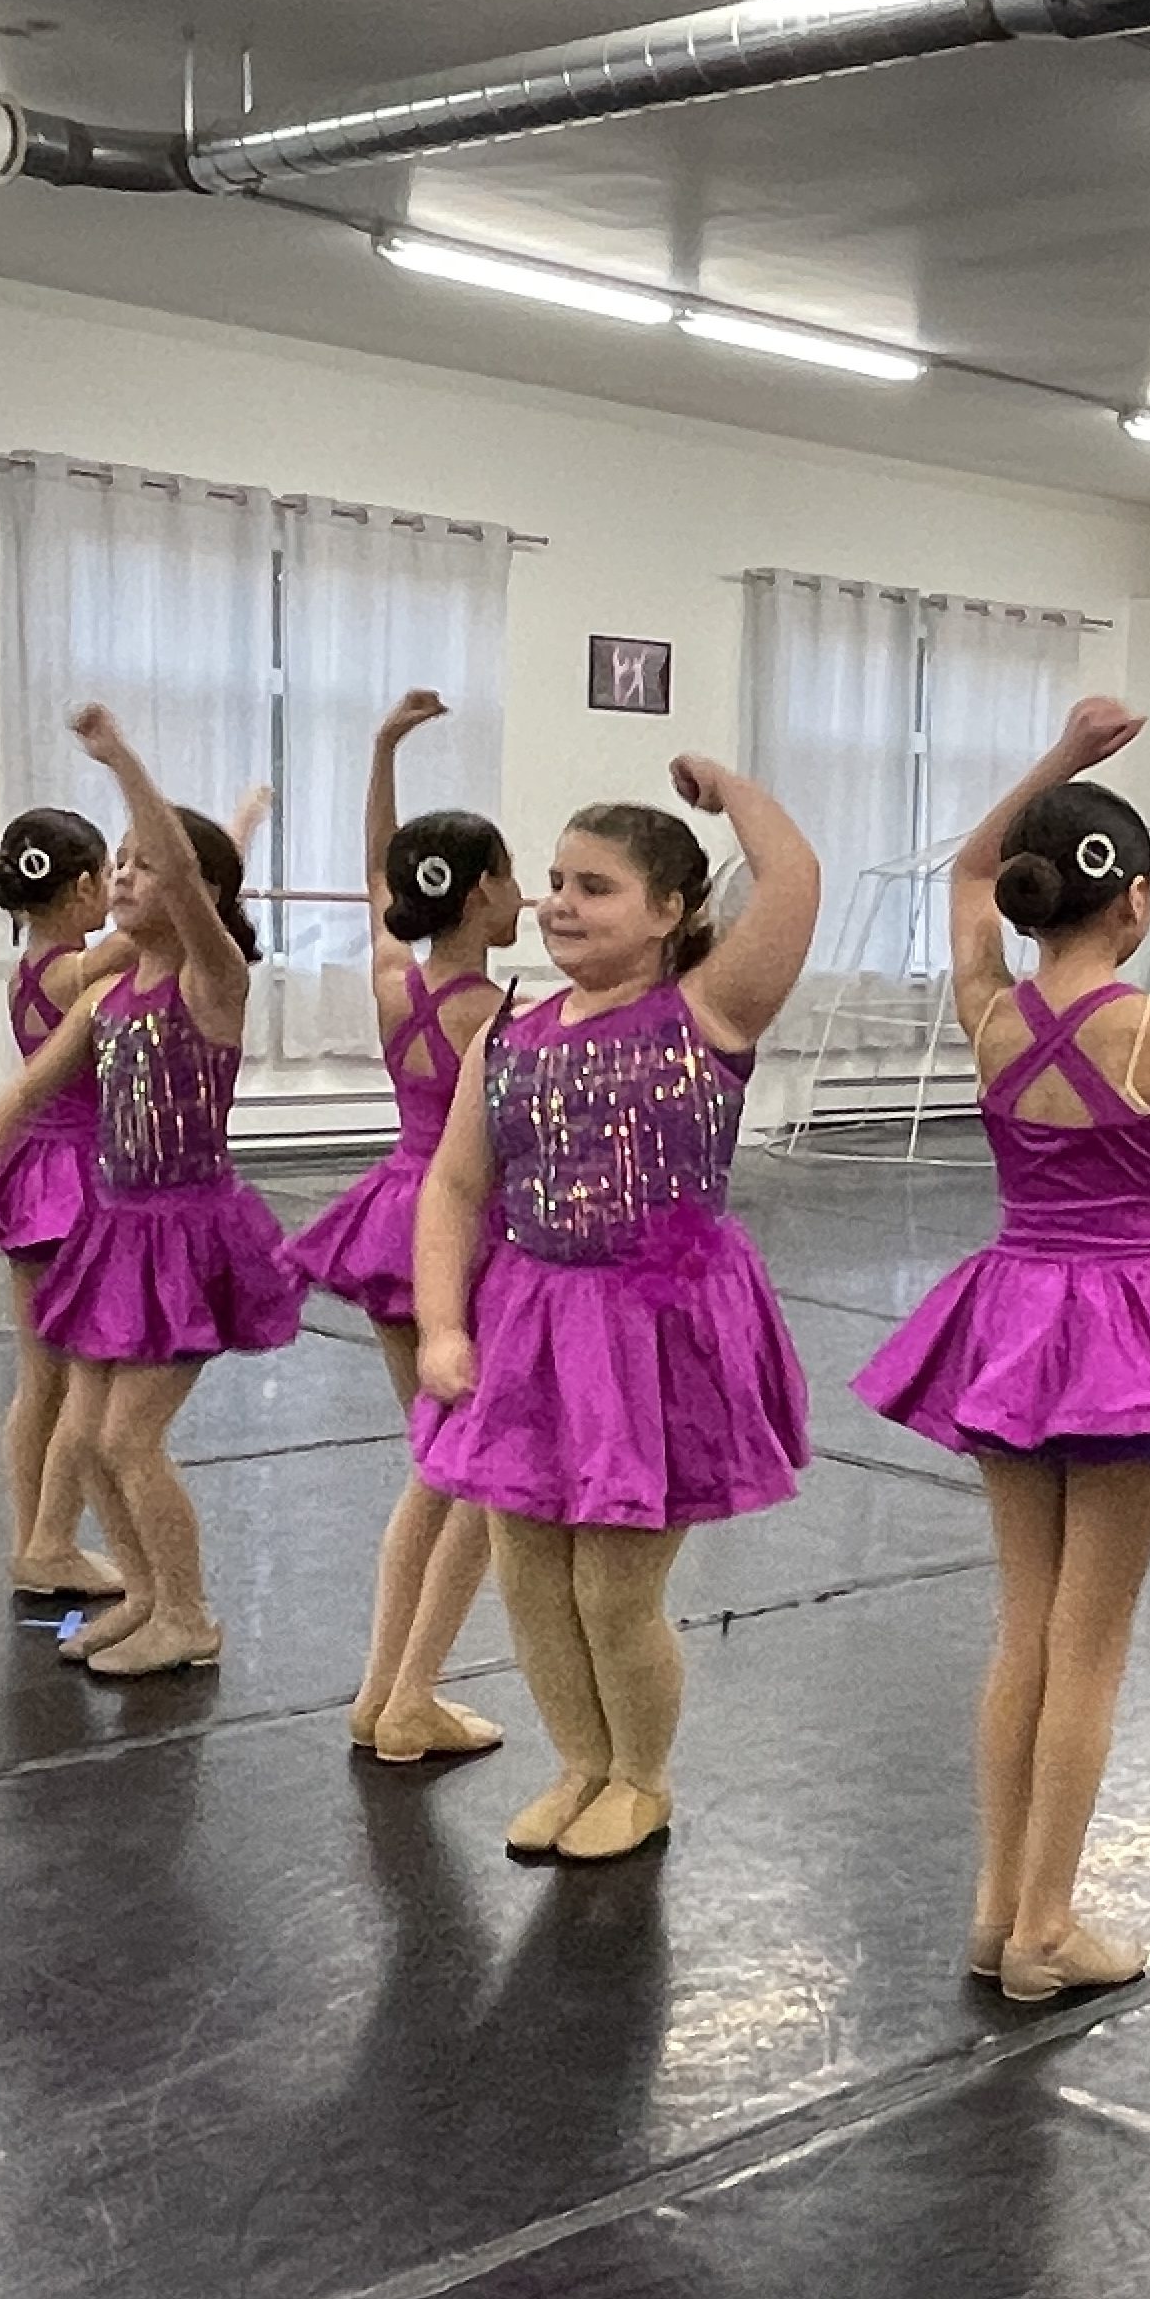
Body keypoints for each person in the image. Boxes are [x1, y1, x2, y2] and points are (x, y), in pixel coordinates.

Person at [856, 700, 1150, 2001]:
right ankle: (1047, 1930)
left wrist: (1059, 759)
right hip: (1121, 1321)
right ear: (1134, 911)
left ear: (1031, 902)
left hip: (1010, 1311)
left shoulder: (988, 1011)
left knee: (1025, 1631)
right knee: (1092, 1644)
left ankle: (996, 1903)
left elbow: (961, 867)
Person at [411, 758, 818, 1864]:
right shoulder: (512, 1032)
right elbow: (454, 1185)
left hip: (657, 1325)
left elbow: (793, 884)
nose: (557, 903)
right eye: (553, 880)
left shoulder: (708, 1010)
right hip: (535, 1319)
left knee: (612, 1581)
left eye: (594, 885)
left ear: (670, 911)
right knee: (530, 1569)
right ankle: (581, 1763)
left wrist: (733, 787)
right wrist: (444, 1325)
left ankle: (641, 1775)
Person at [0, 710, 304, 1672]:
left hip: (190, 1234)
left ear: (197, 893)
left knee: (130, 1442)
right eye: (119, 862)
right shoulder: (102, 997)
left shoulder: (211, 985)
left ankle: (191, 1614)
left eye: (144, 863)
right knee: (90, 1441)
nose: (128, 876)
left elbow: (184, 874)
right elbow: (26, 1089)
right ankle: (145, 1596)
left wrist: (123, 762)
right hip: (116, 1230)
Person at [284, 689, 520, 1764]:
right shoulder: (499, 1017)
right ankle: (409, 1694)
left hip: (393, 1217)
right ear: (480, 895)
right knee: (467, 1479)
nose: (525, 897)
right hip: (468, 1237)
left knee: (433, 1462)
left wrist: (380, 749)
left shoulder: (396, 981)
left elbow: (382, 874)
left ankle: (385, 1691)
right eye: (513, 878)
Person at [0, 788, 268, 1598]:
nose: (121, 883)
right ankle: (52, 1538)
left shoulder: (30, 968)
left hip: (40, 1171)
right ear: (80, 892)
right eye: (111, 870)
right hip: (80, 1176)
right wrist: (220, 850)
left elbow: (198, 905)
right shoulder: (87, 972)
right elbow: (191, 903)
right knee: (70, 1389)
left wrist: (230, 839)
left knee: (46, 1381)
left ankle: (37, 1538)